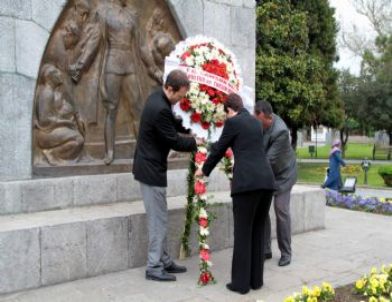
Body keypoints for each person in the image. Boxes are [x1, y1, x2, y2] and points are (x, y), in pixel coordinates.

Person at [195, 93, 275, 295]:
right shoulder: (255, 123)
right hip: (266, 182)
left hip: (246, 185)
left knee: (242, 233)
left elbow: (219, 149)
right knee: (257, 231)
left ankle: (240, 284)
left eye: (226, 114)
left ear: (230, 110)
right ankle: (256, 281)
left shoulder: (233, 123)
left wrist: (203, 170)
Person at [70, 0, 162, 164]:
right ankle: (110, 151)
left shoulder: (132, 15)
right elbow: (94, 42)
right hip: (112, 65)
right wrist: (81, 65)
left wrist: (154, 69)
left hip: (130, 66)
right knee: (111, 110)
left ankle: (143, 150)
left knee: (138, 110)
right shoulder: (103, 12)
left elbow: (141, 46)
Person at [133, 70, 202, 282]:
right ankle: (154, 266)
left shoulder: (159, 98)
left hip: (152, 168)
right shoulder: (160, 107)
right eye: (180, 96)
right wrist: (196, 142)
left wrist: (191, 127)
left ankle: (163, 260)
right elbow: (173, 139)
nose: (180, 100)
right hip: (150, 170)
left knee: (160, 218)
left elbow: (173, 123)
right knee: (157, 221)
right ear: (170, 88)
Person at [254, 100, 297, 267]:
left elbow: (268, 160)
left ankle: (286, 253)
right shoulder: (259, 121)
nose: (258, 125)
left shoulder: (280, 132)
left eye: (260, 121)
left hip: (284, 175)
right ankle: (266, 249)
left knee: (281, 211)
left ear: (269, 117)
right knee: (262, 210)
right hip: (269, 173)